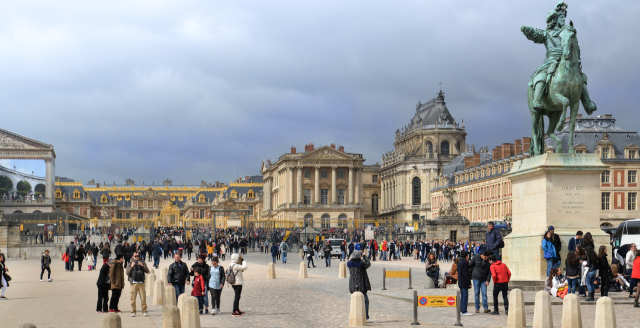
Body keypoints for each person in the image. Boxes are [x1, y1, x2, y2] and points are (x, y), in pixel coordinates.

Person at [347, 251, 373, 323]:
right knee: (365, 301)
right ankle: (366, 317)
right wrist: (364, 256)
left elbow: (351, 260)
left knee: (355, 301)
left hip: (352, 285)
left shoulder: (349, 264)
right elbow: (368, 263)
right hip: (361, 286)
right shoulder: (361, 264)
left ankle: (356, 316)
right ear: (359, 256)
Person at [126, 252, 149, 317]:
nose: (137, 257)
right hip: (133, 283)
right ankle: (133, 311)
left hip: (141, 282)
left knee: (143, 298)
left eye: (138, 256)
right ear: (132, 257)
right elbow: (127, 273)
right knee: (133, 299)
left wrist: (142, 265)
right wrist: (131, 266)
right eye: (135, 256)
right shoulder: (130, 263)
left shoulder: (142, 262)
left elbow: (147, 271)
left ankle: (144, 311)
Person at [458, 251, 472, 316]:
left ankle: (461, 310)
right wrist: (469, 282)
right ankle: (464, 311)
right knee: (465, 296)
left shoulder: (459, 262)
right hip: (464, 282)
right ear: (466, 256)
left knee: (462, 296)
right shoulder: (464, 263)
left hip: (460, 281)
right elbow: (466, 274)